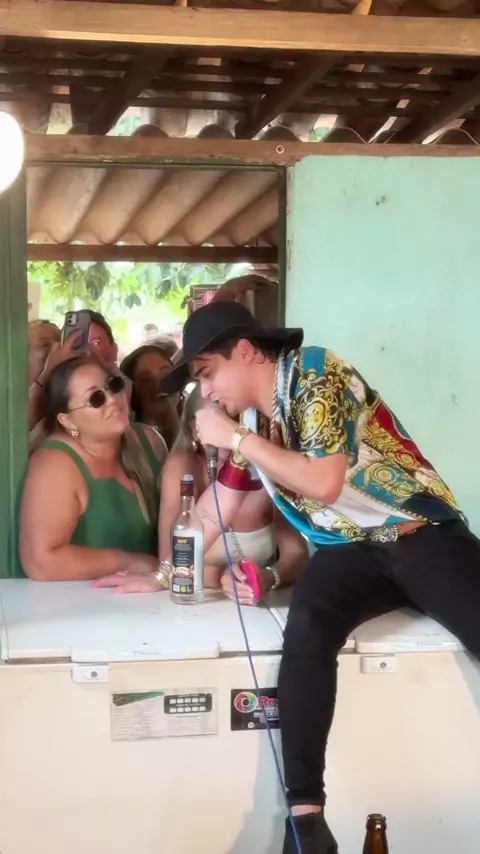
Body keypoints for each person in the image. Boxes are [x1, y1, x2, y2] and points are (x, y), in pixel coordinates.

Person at [157, 300, 480, 854]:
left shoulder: (313, 370)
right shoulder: (252, 425)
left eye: (207, 373)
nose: (206, 392)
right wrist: (168, 571)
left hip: (418, 533)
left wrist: (236, 440)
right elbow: (215, 511)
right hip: (349, 550)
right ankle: (306, 822)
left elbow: (325, 481)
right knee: (306, 632)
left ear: (245, 350)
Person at [94, 384, 307, 596]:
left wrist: (268, 577)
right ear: (193, 432)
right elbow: (168, 557)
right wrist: (221, 577)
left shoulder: (268, 472)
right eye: (215, 420)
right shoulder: (182, 468)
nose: (226, 427)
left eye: (234, 418)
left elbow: (297, 554)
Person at [20, 355, 167, 581]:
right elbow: (41, 563)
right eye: (95, 398)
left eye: (113, 386)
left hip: (153, 595)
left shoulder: (150, 441)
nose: (112, 399)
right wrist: (131, 562)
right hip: (80, 599)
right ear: (67, 420)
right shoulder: (55, 464)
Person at [120, 337, 180, 449]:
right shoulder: (131, 447)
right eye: (146, 380)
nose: (159, 384)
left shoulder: (198, 425)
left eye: (165, 374)